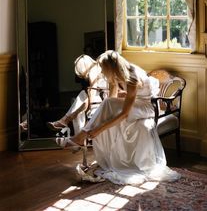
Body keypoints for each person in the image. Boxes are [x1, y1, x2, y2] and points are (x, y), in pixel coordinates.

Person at [61, 50, 181, 185]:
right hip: (135, 103)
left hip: (146, 107)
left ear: (111, 67)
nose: (102, 72)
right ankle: (82, 137)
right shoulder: (116, 76)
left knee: (109, 111)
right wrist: (108, 113)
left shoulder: (132, 76)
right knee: (107, 103)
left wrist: (99, 129)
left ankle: (80, 137)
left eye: (104, 69)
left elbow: (124, 113)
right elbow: (110, 101)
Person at [47, 54, 108, 135]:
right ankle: (67, 122)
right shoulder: (98, 69)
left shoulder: (93, 69)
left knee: (81, 101)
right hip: (102, 97)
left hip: (102, 99)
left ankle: (67, 123)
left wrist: (90, 106)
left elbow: (93, 89)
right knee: (80, 105)